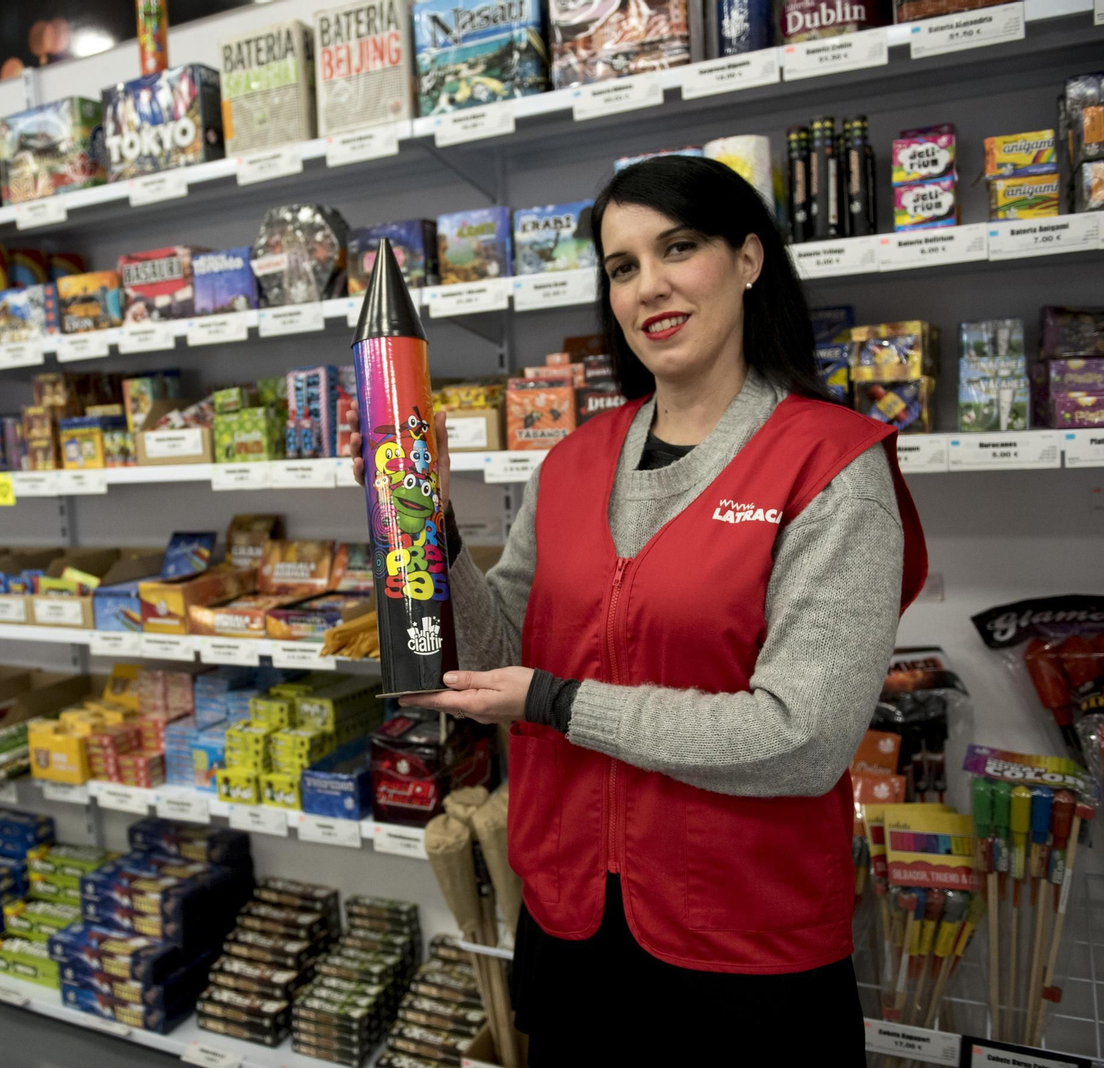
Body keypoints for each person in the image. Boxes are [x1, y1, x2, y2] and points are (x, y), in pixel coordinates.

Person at [349, 156, 927, 1061]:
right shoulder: (575, 460)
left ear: (747, 259)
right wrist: (434, 533)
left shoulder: (831, 465)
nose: (649, 285)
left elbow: (804, 738)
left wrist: (557, 703)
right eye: (621, 267)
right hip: (571, 925)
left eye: (679, 248)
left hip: (743, 950)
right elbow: (499, 649)